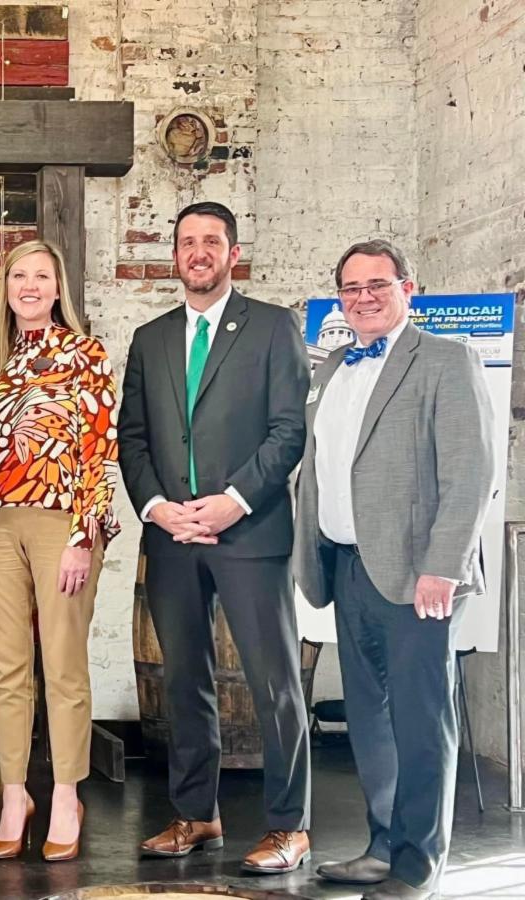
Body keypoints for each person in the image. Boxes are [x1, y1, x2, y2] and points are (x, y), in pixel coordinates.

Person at [294, 240, 494, 900]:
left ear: (408, 289)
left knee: (419, 721)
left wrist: (443, 566)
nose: (364, 298)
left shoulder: (446, 359)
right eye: (351, 288)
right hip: (348, 566)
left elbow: (470, 472)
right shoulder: (332, 367)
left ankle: (417, 865)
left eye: (377, 284)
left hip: (416, 575)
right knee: (370, 718)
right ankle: (383, 846)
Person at [119, 201, 312, 873]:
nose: (198, 252)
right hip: (173, 537)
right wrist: (156, 508)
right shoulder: (150, 339)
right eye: (187, 242)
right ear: (175, 255)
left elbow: (288, 430)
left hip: (249, 531)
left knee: (274, 682)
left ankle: (289, 826)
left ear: (234, 253)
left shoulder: (273, 326)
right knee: (184, 682)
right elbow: (132, 438)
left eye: (211, 241)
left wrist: (234, 502)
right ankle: (196, 814)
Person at [0, 239, 119, 862]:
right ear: (6, 286)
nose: (29, 285)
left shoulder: (85, 354)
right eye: (19, 275)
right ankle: (14, 795)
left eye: (41, 275)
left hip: (61, 524)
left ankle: (67, 795)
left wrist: (83, 535)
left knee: (64, 663)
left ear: (57, 286)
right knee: (7, 667)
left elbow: (100, 449)